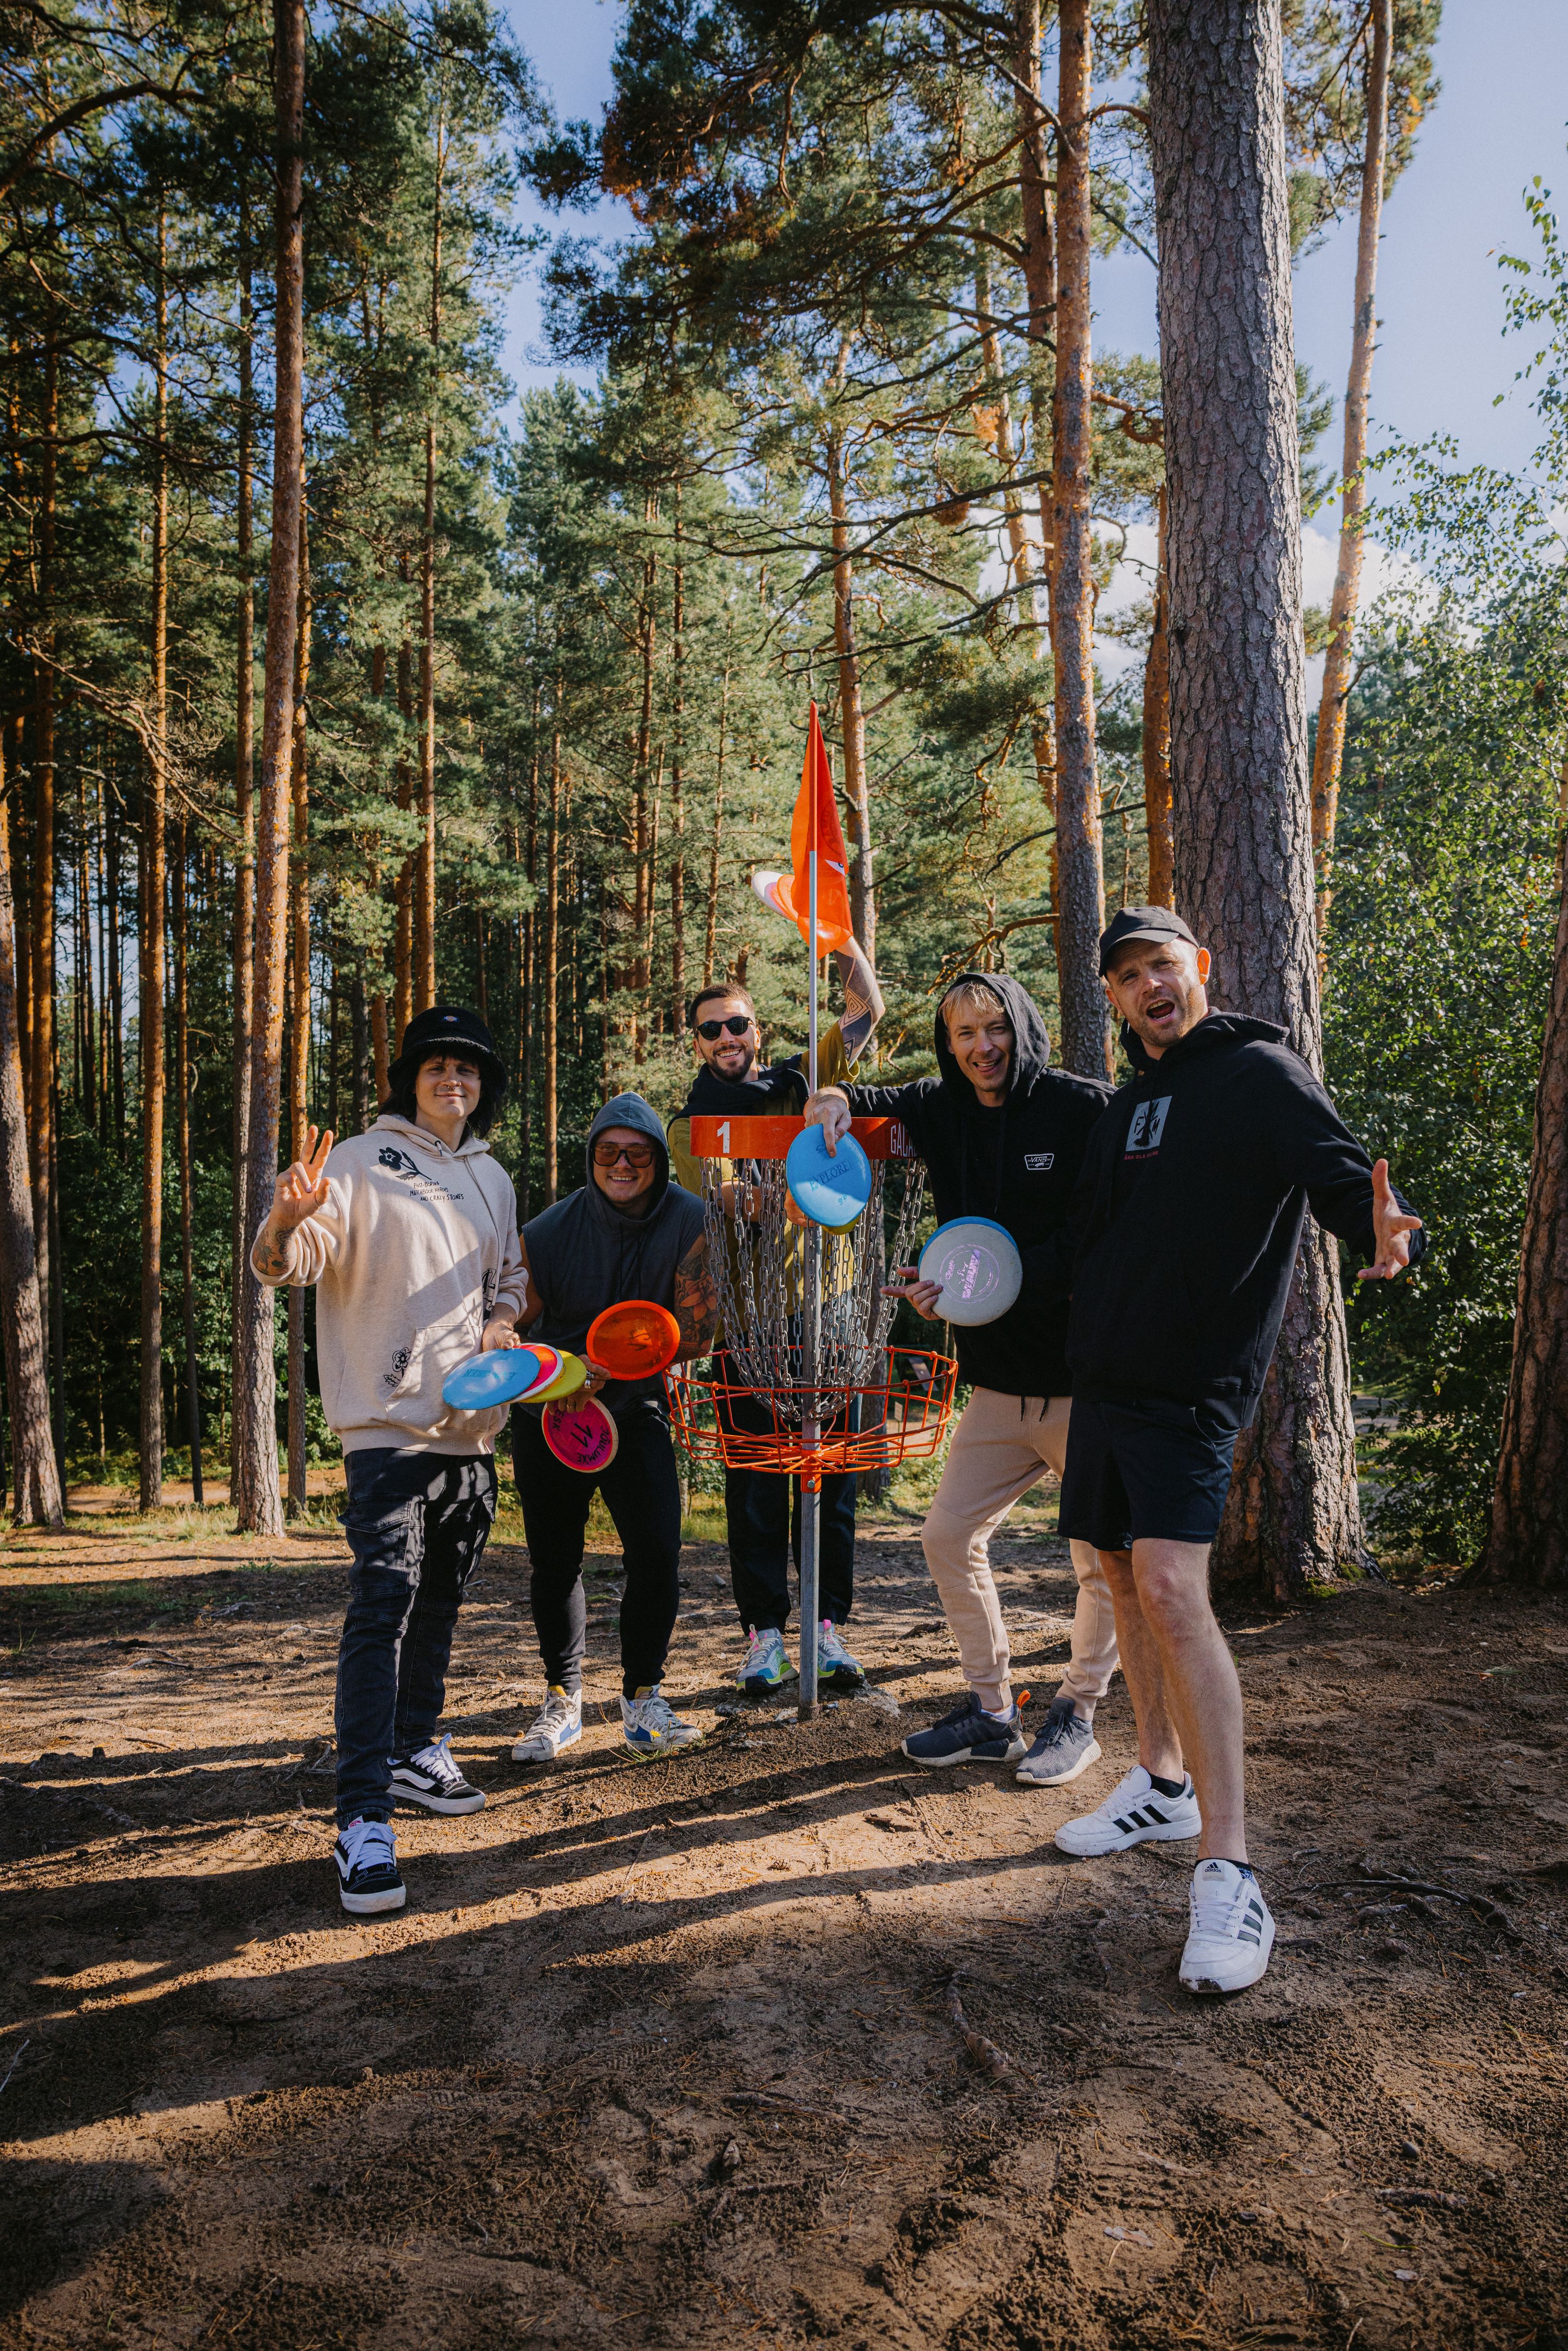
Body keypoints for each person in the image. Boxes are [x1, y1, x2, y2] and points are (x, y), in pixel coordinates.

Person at [1050, 906, 1424, 1995]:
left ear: (1198, 967)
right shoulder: (1127, 1105)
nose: (1149, 986)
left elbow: (1342, 1172)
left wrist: (1383, 1224)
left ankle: (1231, 1867)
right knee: (1117, 1568)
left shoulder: (1261, 1069)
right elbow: (1084, 1238)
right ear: (1114, 997)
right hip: (1108, 1381)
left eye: (1162, 965)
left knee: (1171, 1583)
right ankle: (1159, 1781)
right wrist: (973, 1288)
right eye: (1127, 976)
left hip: (1193, 1384)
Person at [804, 973, 1120, 1777]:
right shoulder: (939, 1106)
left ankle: (1077, 1711)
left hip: (1088, 1382)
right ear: (949, 1044)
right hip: (1000, 1387)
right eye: (964, 1034)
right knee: (947, 1536)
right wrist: (831, 1100)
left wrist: (979, 1285)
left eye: (995, 1028)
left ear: (1021, 1024)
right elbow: (858, 1087)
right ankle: (992, 1709)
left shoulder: (1084, 1107)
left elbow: (1099, 1241)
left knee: (1102, 1560)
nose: (983, 1047)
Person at [251, 1005, 526, 1919]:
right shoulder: (361, 1161)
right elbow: (287, 1262)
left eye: (470, 1068)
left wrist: (502, 1322)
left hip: (472, 1434)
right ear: (410, 1076)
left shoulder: (494, 1176)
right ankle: (361, 1815)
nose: (455, 1079)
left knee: (442, 1601)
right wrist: (284, 1222)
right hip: (387, 1431)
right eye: (438, 1065)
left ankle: (415, 1745)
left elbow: (511, 1285)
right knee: (383, 1609)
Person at [666, 940, 884, 1696]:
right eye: (712, 1029)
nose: (728, 1038)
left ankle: (828, 1629)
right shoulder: (688, 1124)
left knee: (835, 1477)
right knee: (755, 1481)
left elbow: (866, 1011)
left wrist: (843, 940)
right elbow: (730, 1201)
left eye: (739, 1024)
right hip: (744, 1327)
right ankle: (763, 1636)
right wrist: (803, 1185)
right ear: (696, 1043)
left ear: (758, 1029)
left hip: (832, 1310)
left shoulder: (805, 1082)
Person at [510, 1093, 718, 1764]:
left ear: (659, 1158)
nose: (622, 1164)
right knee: (555, 1559)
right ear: (591, 1155)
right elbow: (510, 1330)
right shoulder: (548, 1231)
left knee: (657, 1551)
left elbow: (700, 1332)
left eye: (638, 1152)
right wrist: (564, 1376)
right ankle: (562, 1699)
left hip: (638, 1410)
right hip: (553, 1415)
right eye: (608, 1151)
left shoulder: (691, 1218)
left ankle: (642, 1699)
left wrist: (622, 1363)